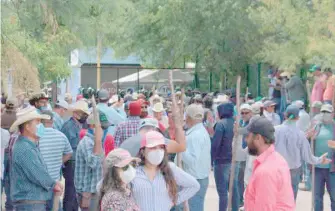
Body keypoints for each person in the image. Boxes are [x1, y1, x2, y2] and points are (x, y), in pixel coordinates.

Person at [9, 107, 63, 210]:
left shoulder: (30, 145)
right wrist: (53, 184)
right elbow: (39, 174)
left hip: (32, 202)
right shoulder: (25, 148)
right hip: (29, 204)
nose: (41, 125)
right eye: (37, 122)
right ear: (27, 127)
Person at [132, 131, 200, 211]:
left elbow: (194, 185)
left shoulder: (170, 168)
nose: (158, 151)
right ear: (143, 151)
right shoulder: (133, 172)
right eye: (153, 147)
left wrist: (174, 201)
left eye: (161, 147)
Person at [274, 105, 331, 200]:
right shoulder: (300, 135)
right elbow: (308, 157)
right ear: (298, 118)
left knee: (276, 198)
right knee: (290, 201)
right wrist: (320, 160)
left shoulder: (275, 130)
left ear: (285, 115)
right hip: (293, 170)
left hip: (277, 169)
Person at [243, 116, 295, 211]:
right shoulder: (277, 159)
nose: (246, 140)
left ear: (258, 138)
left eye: (248, 136)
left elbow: (264, 208)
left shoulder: (265, 171)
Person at [39, 110, 73, 211]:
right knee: (55, 206)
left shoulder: (36, 137)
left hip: (39, 182)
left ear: (40, 121)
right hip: (55, 181)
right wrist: (59, 161)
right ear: (52, 121)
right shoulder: (61, 136)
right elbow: (69, 153)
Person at [61, 100, 91, 211]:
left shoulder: (79, 125)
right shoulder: (68, 127)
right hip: (71, 163)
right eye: (83, 114)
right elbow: (67, 148)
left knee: (74, 193)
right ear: (75, 114)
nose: (85, 116)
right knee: (71, 193)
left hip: (76, 163)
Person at [181, 104, 211, 211]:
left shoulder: (195, 136)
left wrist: (181, 148)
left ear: (188, 117)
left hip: (195, 178)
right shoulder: (200, 132)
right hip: (199, 177)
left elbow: (192, 161)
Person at [212, 102, 239, 211]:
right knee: (234, 189)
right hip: (234, 160)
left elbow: (216, 144)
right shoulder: (236, 124)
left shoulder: (220, 124)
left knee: (223, 192)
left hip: (221, 161)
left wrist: (212, 158)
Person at [75, 113, 104, 211]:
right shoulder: (87, 143)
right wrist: (86, 196)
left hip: (94, 192)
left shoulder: (95, 141)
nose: (104, 130)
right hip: (88, 193)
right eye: (102, 127)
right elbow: (93, 164)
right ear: (92, 126)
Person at [310, 104, 335, 211]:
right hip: (317, 167)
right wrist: (310, 137)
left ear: (332, 113)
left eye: (327, 112)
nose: (325, 114)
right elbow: (308, 143)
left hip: (332, 169)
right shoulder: (316, 126)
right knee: (317, 197)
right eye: (323, 112)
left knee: (334, 197)